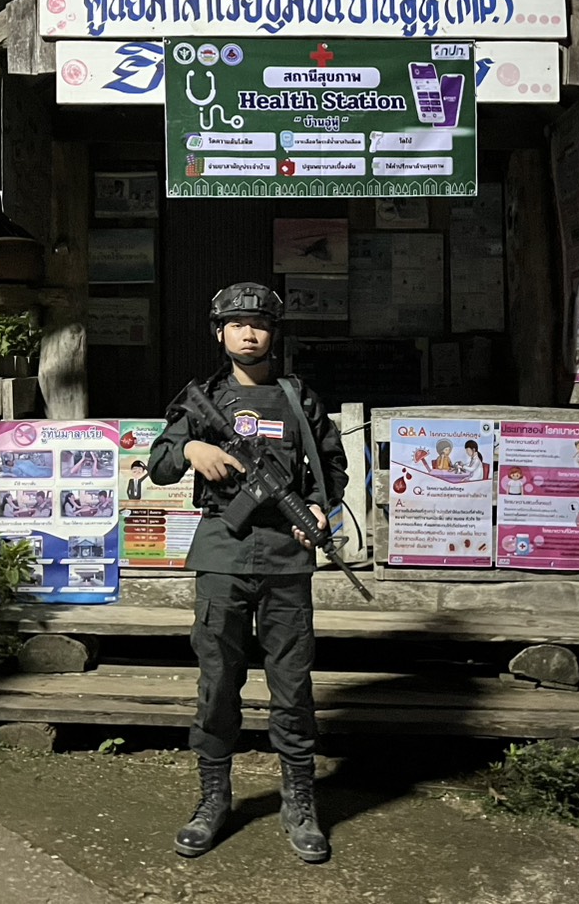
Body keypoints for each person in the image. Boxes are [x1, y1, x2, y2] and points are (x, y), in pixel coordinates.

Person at [149, 281, 346, 864]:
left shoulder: (298, 397)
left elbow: (330, 466)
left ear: (273, 334)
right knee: (217, 681)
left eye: (259, 324)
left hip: (286, 558)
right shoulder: (203, 399)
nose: (249, 333)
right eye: (236, 324)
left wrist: (318, 507)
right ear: (220, 333)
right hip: (222, 555)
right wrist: (192, 451)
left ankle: (299, 801)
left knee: (293, 684)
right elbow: (159, 463)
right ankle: (213, 798)